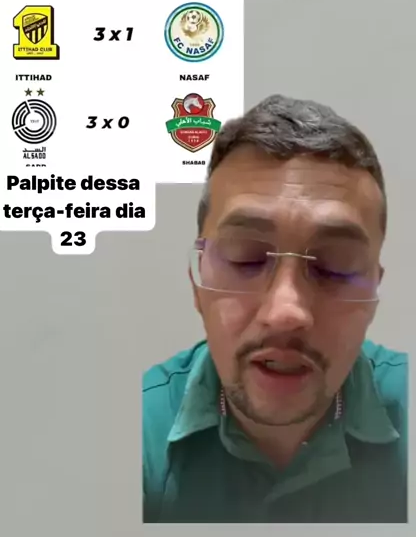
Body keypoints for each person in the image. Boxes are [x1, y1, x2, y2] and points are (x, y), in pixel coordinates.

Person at [143, 95, 407, 523]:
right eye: (246, 258)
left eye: (335, 266)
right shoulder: (132, 431)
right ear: (197, 282)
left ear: (374, 292)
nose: (287, 311)